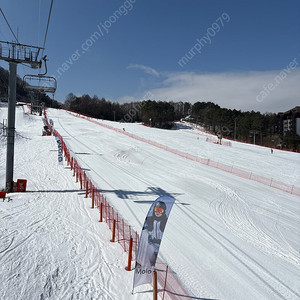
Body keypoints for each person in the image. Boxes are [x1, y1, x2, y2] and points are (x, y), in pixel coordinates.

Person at [143, 201, 167, 266]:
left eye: (160, 210)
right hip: (151, 244)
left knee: (155, 261)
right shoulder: (151, 220)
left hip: (159, 246)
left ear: (163, 211)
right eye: (156, 210)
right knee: (148, 259)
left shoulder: (164, 221)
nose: (158, 212)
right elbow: (147, 230)